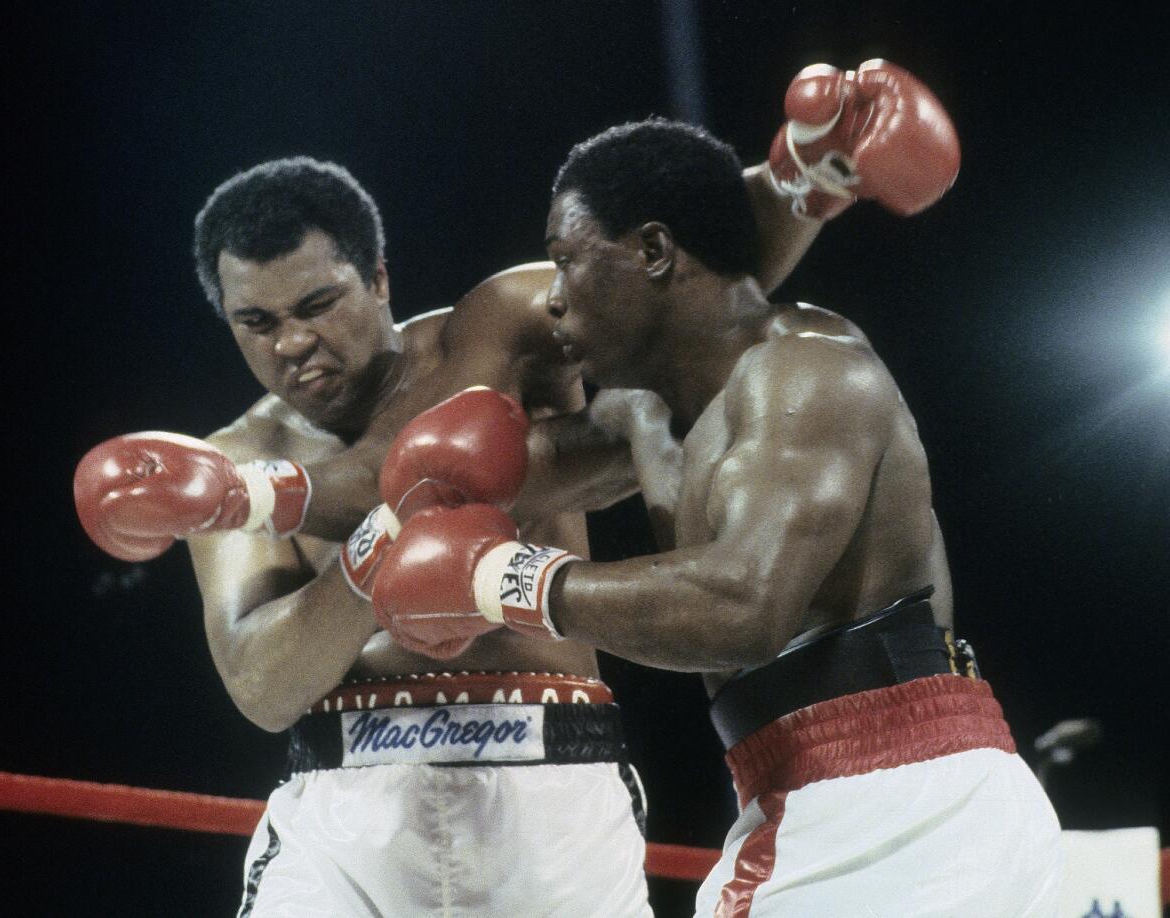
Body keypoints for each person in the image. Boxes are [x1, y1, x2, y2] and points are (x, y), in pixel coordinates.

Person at [71, 56, 887, 914]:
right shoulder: (228, 461)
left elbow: (676, 291)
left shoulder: (495, 333)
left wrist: (805, 179)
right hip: (348, 811)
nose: (294, 344)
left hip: (549, 789)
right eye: (259, 322)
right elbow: (266, 687)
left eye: (317, 304)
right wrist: (389, 540)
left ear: (377, 278)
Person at [367, 63, 1066, 917]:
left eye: (565, 261)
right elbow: (453, 477)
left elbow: (746, 603)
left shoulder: (808, 368)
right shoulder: (645, 417)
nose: (550, 301)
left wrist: (499, 582)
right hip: (828, 793)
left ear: (655, 251)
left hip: (895, 801)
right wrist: (266, 498)